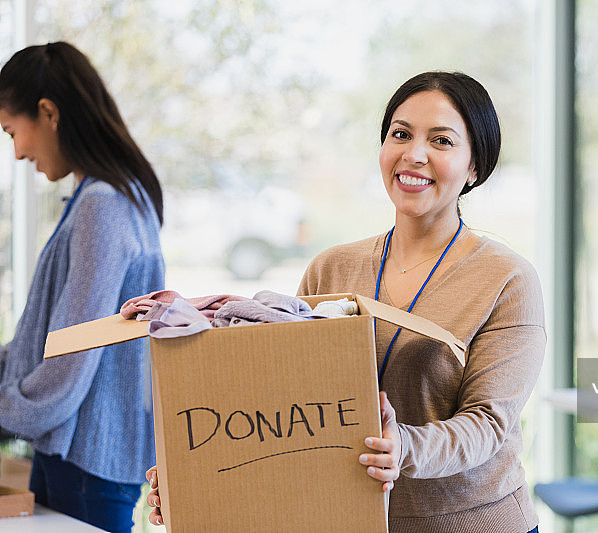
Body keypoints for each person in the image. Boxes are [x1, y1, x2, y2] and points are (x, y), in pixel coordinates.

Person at [147, 71, 544, 533]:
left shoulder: (507, 278)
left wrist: (403, 447)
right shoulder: (331, 270)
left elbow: (489, 425)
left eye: (441, 141)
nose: (414, 154)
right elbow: (280, 404)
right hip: (347, 518)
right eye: (401, 134)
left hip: (469, 522)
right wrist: (195, 477)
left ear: (475, 166)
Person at [0, 42, 164, 533]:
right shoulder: (107, 196)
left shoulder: (103, 206)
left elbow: (72, 356)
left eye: (12, 131)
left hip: (86, 462)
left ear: (47, 112)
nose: (17, 151)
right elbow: (48, 337)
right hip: (81, 455)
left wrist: (6, 409)